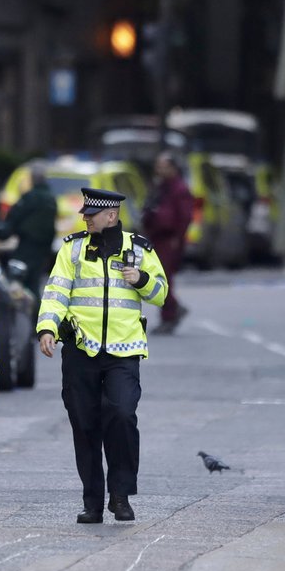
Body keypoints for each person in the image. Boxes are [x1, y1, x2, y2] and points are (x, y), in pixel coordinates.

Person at [37, 188, 168, 524]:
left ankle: (121, 495)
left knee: (122, 415)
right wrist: (47, 328)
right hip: (81, 349)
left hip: (124, 351)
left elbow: (161, 294)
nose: (85, 218)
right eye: (85, 213)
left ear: (111, 215)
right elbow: (55, 292)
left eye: (92, 214)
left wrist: (140, 279)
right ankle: (92, 502)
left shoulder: (138, 249)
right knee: (85, 426)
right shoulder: (73, 249)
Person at [143, 151, 194, 334]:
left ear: (173, 168)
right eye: (158, 166)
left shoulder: (179, 189)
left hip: (169, 239)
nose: (159, 170)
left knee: (162, 279)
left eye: (163, 166)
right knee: (157, 277)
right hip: (157, 237)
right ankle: (172, 310)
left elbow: (184, 217)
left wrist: (177, 238)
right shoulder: (161, 187)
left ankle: (170, 313)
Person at [3, 162, 58, 295]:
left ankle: (27, 312)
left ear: (33, 179)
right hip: (43, 248)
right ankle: (36, 313)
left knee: (19, 280)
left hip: (27, 246)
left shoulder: (31, 197)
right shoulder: (51, 198)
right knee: (35, 281)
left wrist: (5, 232)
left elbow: (14, 215)